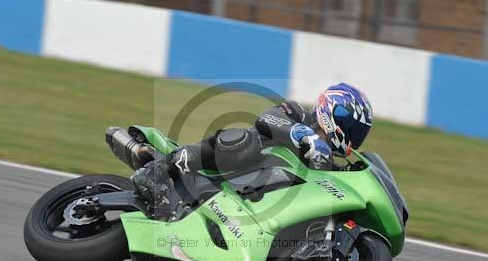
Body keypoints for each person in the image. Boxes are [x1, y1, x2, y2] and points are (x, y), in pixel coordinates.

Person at [132, 82, 373, 206]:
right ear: (334, 112)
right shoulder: (297, 113)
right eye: (352, 128)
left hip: (252, 198)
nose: (354, 136)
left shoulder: (325, 160)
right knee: (247, 140)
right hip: (233, 168)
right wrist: (303, 135)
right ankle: (159, 169)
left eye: (359, 133)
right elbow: (266, 120)